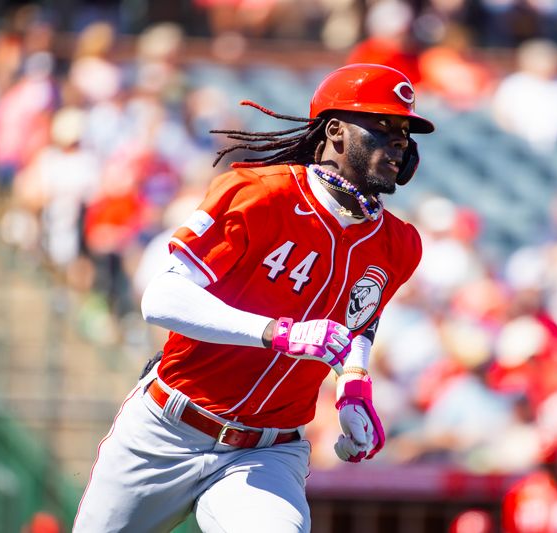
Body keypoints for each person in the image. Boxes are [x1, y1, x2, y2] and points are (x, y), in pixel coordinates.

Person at [74, 63, 434, 532]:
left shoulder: (399, 243)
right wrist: (275, 333)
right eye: (383, 126)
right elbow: (160, 298)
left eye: (405, 132)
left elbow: (359, 323)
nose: (399, 142)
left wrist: (353, 386)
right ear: (336, 132)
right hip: (169, 429)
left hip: (269, 451)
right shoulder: (259, 193)